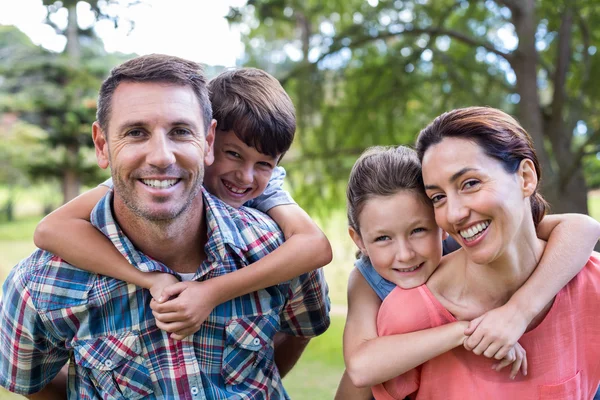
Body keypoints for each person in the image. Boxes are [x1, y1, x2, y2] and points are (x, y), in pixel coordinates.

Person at [0, 54, 330, 399]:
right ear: (103, 145)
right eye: (136, 132)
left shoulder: (274, 242)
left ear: (205, 140)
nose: (161, 157)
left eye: (180, 131)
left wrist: (214, 295)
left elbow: (307, 294)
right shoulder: (40, 284)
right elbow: (50, 230)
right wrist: (147, 277)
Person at [334, 145, 600, 399]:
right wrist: (466, 331)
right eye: (382, 238)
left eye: (418, 231)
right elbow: (360, 367)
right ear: (358, 240)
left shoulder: (467, 242)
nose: (405, 254)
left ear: (441, 223)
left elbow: (582, 228)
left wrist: (519, 309)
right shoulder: (367, 279)